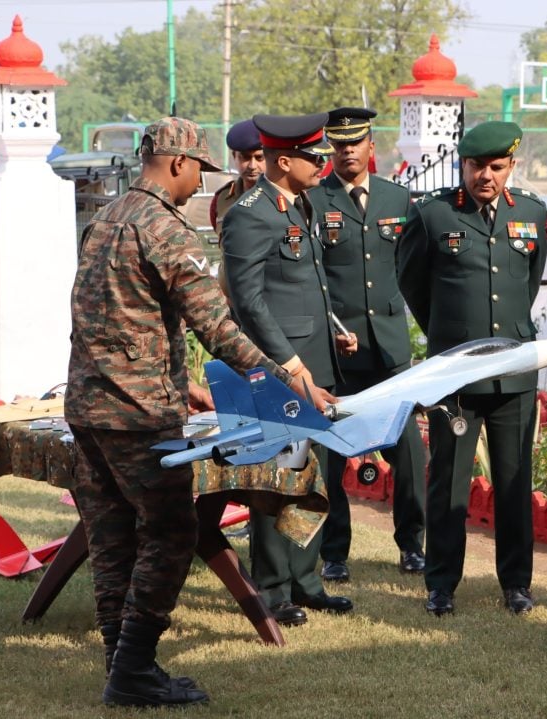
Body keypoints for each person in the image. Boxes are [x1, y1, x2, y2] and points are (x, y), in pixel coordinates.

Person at [65, 117, 333, 707]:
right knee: (170, 532)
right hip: (137, 416)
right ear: (178, 163)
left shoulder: (106, 218)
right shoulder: (165, 228)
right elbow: (217, 326)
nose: (200, 186)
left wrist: (181, 383)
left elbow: (99, 318)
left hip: (88, 407)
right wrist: (287, 375)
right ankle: (133, 667)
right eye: (199, 174)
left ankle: (121, 668)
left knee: (112, 541)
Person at [397, 121, 547, 616]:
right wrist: (449, 337)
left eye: (496, 166)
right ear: (462, 164)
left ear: (511, 166)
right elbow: (413, 284)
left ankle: (516, 585)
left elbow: (527, 286)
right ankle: (441, 584)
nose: (486, 175)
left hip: (514, 372)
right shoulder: (432, 214)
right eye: (476, 165)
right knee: (448, 483)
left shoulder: (532, 212)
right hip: (455, 375)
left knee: (513, 481)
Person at [221, 112, 356, 626]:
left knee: (311, 475)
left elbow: (306, 286)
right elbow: (249, 302)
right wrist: (293, 365)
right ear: (284, 161)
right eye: (315, 157)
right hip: (279, 370)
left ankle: (307, 580)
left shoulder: (300, 202)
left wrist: (333, 331)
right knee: (278, 478)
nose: (323, 164)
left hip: (313, 361)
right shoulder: (249, 213)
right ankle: (274, 588)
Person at [308, 107, 427, 581]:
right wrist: (331, 328)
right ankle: (335, 553)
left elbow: (415, 271)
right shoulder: (314, 200)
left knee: (410, 455)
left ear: (371, 146)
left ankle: (411, 545)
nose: (347, 151)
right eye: (339, 145)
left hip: (391, 350)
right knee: (333, 456)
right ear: (330, 151)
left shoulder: (399, 199)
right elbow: (312, 278)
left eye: (355, 143)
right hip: (339, 354)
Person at [209, 118, 266, 302]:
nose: (252, 166)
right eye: (244, 157)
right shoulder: (222, 200)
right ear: (234, 157)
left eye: (259, 157)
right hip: (233, 305)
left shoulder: (285, 196)